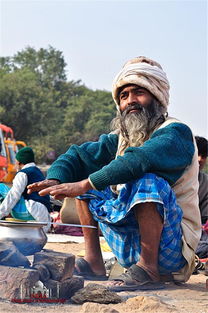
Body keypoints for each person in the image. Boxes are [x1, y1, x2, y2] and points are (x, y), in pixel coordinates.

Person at [27, 56, 201, 291]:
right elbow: (78, 155)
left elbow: (140, 159)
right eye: (124, 95)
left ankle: (148, 269)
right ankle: (94, 262)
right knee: (88, 174)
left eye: (139, 92)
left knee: (145, 179)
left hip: (172, 253)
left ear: (157, 96)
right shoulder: (121, 139)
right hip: (128, 249)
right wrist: (56, 178)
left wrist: (86, 184)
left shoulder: (176, 133)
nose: (130, 101)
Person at [0, 147, 51, 231]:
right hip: (42, 214)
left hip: (30, 212)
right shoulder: (37, 172)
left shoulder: (23, 173)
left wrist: (1, 213)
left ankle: (3, 218)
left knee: (1, 187)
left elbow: (13, 195)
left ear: (19, 162)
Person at [195, 136, 208, 224]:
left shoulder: (206, 182)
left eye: (203, 156)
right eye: (197, 154)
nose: (200, 159)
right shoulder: (171, 176)